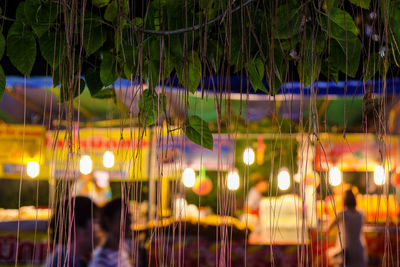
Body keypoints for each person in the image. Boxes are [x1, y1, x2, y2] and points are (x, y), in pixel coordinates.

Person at [44, 196, 99, 267]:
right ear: (79, 230)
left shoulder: (71, 258)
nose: (101, 229)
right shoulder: (63, 262)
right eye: (96, 222)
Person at [326, 189, 367, 267]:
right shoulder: (361, 214)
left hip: (345, 250)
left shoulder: (342, 214)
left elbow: (329, 227)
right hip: (359, 249)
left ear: (343, 201)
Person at [89, 198, 132, 267]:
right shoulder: (101, 259)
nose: (129, 222)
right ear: (108, 221)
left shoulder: (124, 249)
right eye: (124, 218)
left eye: (129, 216)